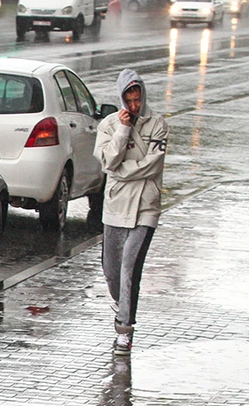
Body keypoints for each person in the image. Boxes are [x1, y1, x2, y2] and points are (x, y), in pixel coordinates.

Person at [93, 69, 168, 355]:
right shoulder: (109, 125)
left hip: (145, 206)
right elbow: (108, 161)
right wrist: (123, 131)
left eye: (138, 99)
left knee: (129, 267)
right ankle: (121, 303)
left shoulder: (158, 124)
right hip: (115, 206)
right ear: (122, 99)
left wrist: (122, 171)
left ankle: (125, 330)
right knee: (111, 272)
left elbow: (154, 164)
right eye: (129, 100)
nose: (134, 106)